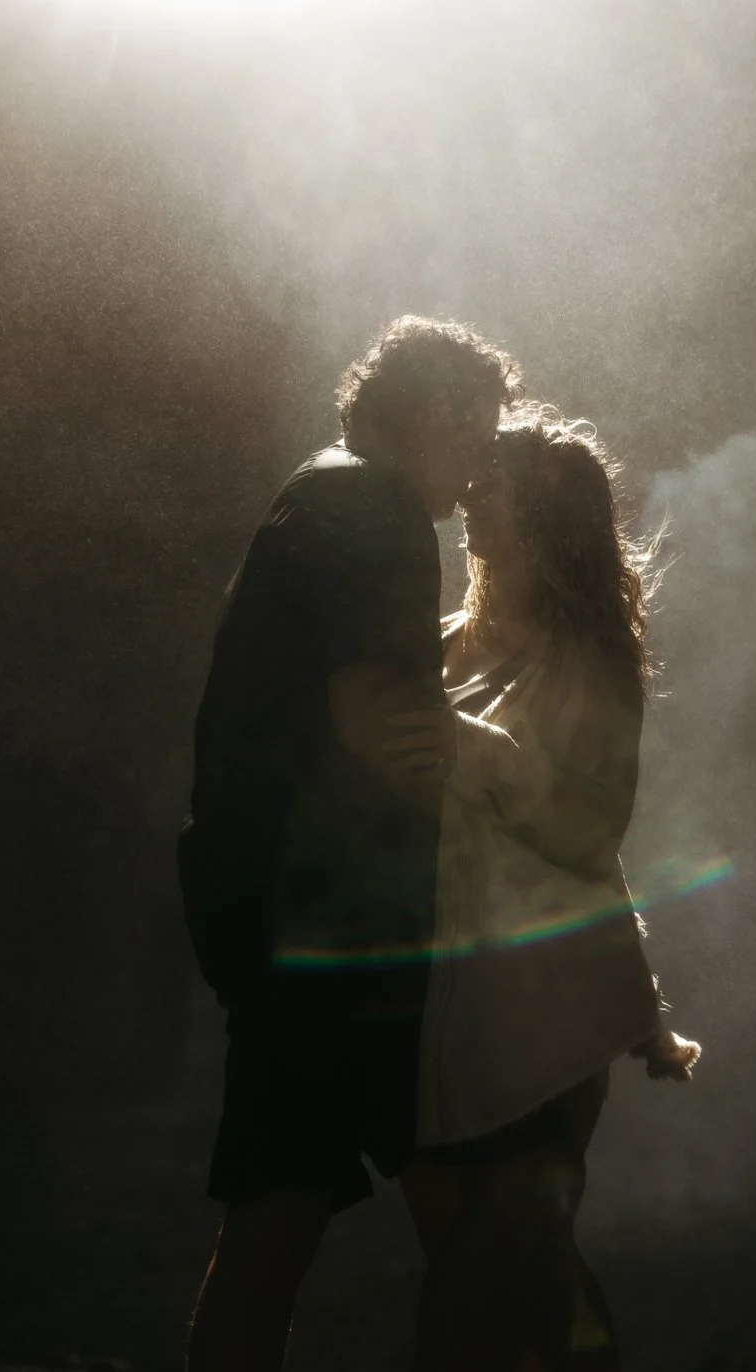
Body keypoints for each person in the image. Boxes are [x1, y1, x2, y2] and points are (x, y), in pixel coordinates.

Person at [177, 315, 523, 1372]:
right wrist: (527, 781)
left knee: (278, 1209)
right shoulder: (375, 508)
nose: (476, 479)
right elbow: (385, 727)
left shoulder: (314, 490)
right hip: (344, 921)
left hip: (267, 904)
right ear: (439, 411)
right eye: (479, 436)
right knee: (473, 1200)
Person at [390, 407, 700, 1372]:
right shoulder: (440, 644)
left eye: (497, 486)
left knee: (511, 1263)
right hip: (435, 996)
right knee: (475, 1266)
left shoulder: (592, 658)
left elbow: (590, 825)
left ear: (547, 516)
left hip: (553, 995)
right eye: (476, 480)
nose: (471, 499)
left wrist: (470, 751)